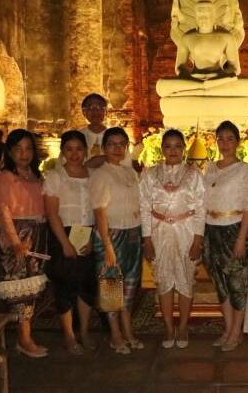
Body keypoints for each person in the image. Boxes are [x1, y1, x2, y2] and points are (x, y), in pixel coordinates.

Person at [140, 129, 205, 350]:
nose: (173, 150)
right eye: (168, 146)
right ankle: (168, 327)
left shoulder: (194, 175)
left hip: (187, 232)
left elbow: (201, 208)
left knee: (185, 279)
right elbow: (144, 207)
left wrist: (198, 239)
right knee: (164, 280)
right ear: (162, 149)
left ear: (184, 149)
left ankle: (184, 326)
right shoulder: (150, 174)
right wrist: (147, 238)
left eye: (178, 146)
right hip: (159, 234)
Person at [203, 121, 248, 352]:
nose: (225, 143)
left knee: (237, 284)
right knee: (220, 284)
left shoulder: (245, 170)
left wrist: (241, 238)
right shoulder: (210, 168)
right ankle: (227, 329)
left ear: (238, 142)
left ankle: (237, 332)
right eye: (221, 139)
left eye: (230, 138)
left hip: (235, 229)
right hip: (211, 229)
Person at [0, 129, 49, 358]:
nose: (23, 154)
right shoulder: (6, 177)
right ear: (9, 151)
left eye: (28, 148)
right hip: (18, 234)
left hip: (37, 233)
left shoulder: (36, 175)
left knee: (33, 287)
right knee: (20, 288)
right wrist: (15, 242)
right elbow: (2, 210)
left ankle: (25, 336)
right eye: (18, 149)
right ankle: (24, 339)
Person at [91, 127, 145, 354]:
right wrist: (107, 246)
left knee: (130, 285)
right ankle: (115, 335)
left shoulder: (130, 172)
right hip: (112, 235)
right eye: (112, 144)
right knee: (111, 285)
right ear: (104, 148)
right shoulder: (101, 175)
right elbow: (99, 212)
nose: (117, 148)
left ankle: (128, 331)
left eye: (121, 144)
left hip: (133, 233)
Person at [43, 131, 97, 355]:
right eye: (69, 149)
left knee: (86, 285)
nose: (75, 154)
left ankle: (84, 331)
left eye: (79, 149)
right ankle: (69, 336)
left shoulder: (94, 175)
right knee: (65, 285)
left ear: (86, 151)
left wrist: (94, 237)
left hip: (88, 233)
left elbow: (98, 209)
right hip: (62, 233)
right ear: (62, 151)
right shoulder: (55, 177)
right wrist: (65, 243)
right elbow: (52, 213)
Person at [76, 93, 134, 169]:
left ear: (106, 112)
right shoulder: (77, 137)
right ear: (84, 112)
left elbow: (126, 164)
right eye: (90, 107)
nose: (95, 111)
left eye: (100, 107)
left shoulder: (116, 136)